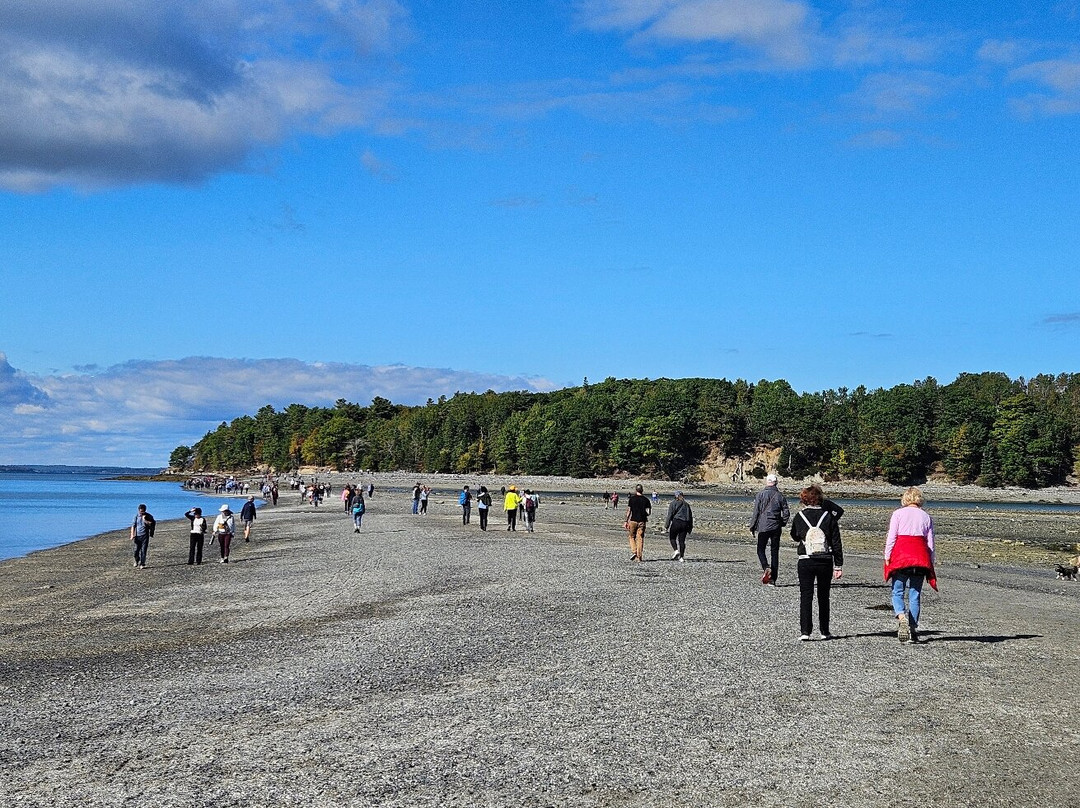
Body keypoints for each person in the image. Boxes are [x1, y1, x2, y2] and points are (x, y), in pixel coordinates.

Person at [790, 486, 844, 641]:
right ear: (820, 499)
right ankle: (824, 631)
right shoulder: (828, 516)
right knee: (824, 596)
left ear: (804, 499)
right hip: (825, 560)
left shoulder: (799, 516)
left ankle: (805, 632)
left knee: (806, 596)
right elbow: (836, 542)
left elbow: (794, 535)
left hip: (805, 560)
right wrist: (838, 565)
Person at [885, 487, 937, 644]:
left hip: (902, 557)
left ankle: (902, 617)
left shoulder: (898, 514)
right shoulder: (926, 516)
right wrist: (931, 561)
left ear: (905, 499)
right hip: (920, 557)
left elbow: (892, 537)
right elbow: (930, 543)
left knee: (897, 591)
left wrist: (887, 555)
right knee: (915, 595)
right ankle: (913, 629)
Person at [750, 474, 789, 586]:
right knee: (774, 552)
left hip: (763, 526)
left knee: (760, 549)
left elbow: (756, 512)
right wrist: (782, 522)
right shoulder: (780, 496)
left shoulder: (760, 494)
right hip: (776, 527)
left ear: (767, 482)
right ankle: (773, 579)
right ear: (776, 483)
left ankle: (766, 567)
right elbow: (786, 513)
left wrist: (752, 526)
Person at [624, 484, 651, 562]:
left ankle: (634, 551)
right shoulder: (646, 500)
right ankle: (639, 557)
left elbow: (629, 511)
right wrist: (644, 514)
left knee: (631, 537)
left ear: (636, 490)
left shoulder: (632, 499)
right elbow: (649, 512)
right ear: (642, 490)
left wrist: (626, 521)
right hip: (642, 521)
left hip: (633, 520)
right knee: (640, 538)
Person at [664, 491, 693, 562]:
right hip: (685, 523)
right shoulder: (687, 504)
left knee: (672, 537)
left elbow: (669, 515)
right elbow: (690, 517)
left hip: (676, 522)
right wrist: (690, 527)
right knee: (682, 541)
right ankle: (681, 557)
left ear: (675, 496)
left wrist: (666, 526)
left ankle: (676, 550)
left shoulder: (673, 503)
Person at [130, 504, 155, 569]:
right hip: (137, 536)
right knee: (136, 550)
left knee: (143, 551)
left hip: (145, 535)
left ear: (145, 510)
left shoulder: (149, 516)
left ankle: (142, 563)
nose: (141, 513)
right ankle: (136, 560)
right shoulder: (136, 516)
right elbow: (133, 526)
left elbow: (152, 524)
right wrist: (132, 535)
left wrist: (144, 520)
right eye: (140, 511)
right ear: (138, 510)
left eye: (143, 511)